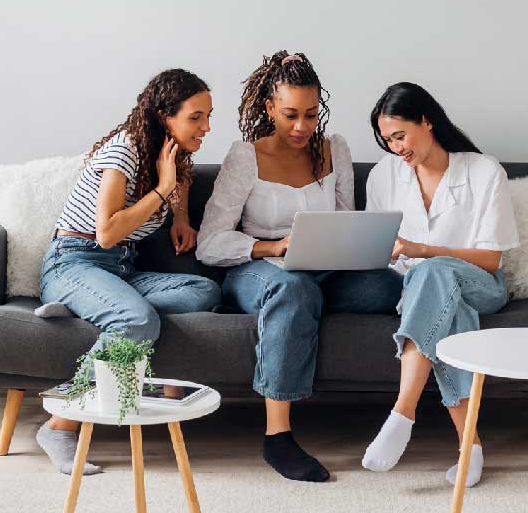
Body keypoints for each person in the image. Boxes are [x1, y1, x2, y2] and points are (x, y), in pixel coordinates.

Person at [198, 51, 399, 482]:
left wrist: (360, 246)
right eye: (290, 115)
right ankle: (278, 437)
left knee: (388, 286)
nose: (301, 127)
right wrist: (275, 246)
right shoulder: (244, 157)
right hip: (257, 270)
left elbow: (346, 219)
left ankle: (420, 409)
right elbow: (210, 243)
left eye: (310, 114)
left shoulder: (334, 150)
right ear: (269, 107)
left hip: (323, 271)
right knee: (294, 289)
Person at [36, 68, 223, 475]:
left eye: (208, 116)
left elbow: (181, 180)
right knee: (137, 319)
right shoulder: (123, 151)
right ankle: (61, 424)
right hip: (75, 259)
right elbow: (106, 233)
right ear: (163, 116)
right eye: (196, 117)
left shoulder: (172, 154)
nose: (206, 127)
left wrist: (179, 216)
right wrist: (162, 189)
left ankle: (85, 305)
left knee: (203, 291)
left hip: (121, 270)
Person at [359, 82, 519, 487]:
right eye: (388, 140)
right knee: (446, 306)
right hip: (416, 290)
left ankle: (403, 411)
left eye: (400, 136)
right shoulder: (383, 176)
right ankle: (471, 449)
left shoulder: (484, 172)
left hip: (481, 283)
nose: (396, 148)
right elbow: (376, 247)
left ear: (426, 121)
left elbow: (491, 259)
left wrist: (423, 250)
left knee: (434, 272)